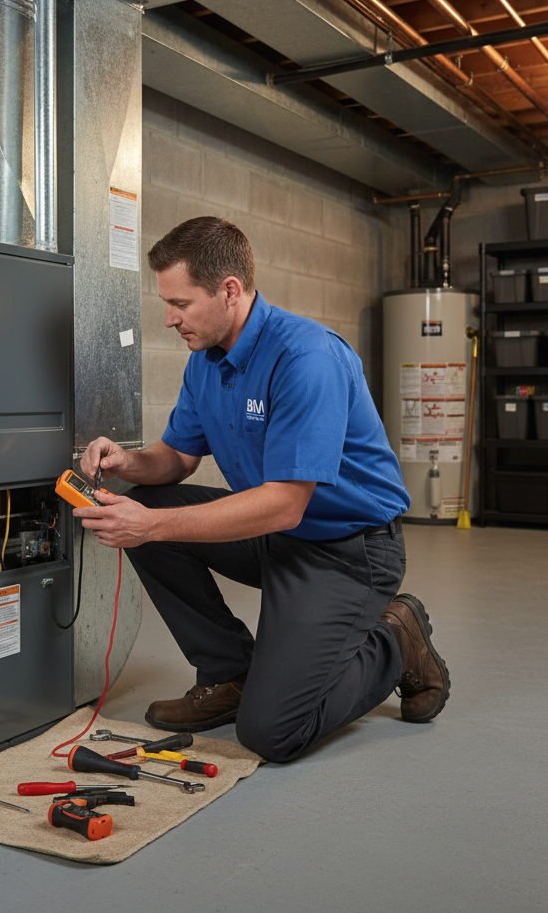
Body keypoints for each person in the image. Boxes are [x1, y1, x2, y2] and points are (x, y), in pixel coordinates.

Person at [74, 216, 450, 763]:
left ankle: (396, 637)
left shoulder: (306, 358)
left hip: (347, 550)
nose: (168, 319)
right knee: (147, 501)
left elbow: (285, 502)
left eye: (180, 303)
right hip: (274, 535)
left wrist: (149, 525)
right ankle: (230, 673)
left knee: (273, 732)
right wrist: (128, 460)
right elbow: (177, 458)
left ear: (229, 290)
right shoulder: (206, 361)